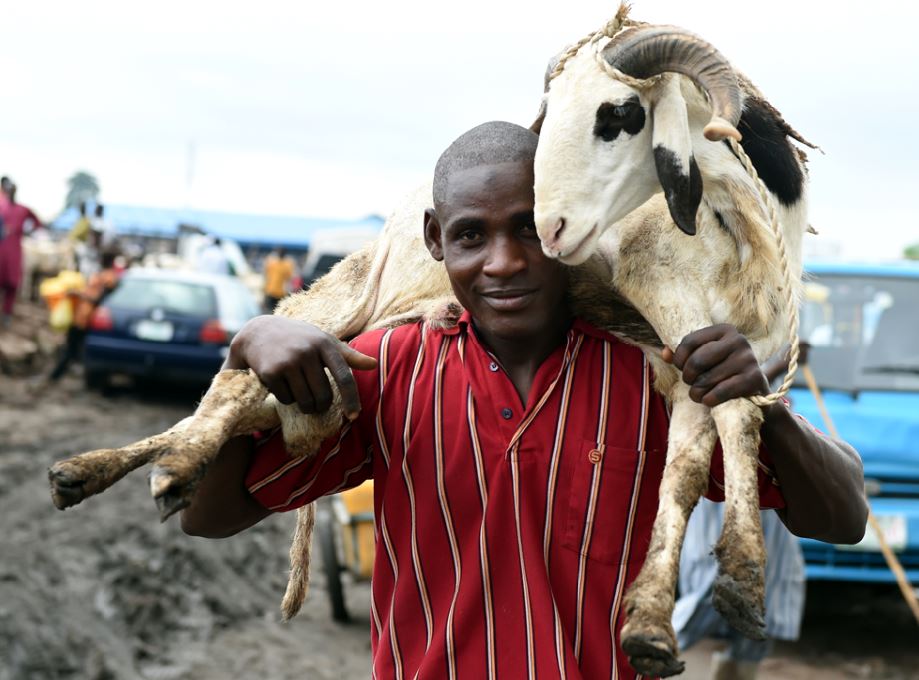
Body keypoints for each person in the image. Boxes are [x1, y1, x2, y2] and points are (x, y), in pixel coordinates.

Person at [180, 122, 868, 679]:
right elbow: (211, 517)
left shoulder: (653, 376)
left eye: (530, 228)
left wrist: (760, 405)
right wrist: (241, 365)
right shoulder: (384, 371)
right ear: (433, 240)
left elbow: (840, 516)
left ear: (569, 226)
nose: (503, 262)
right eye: (471, 235)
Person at [674, 342, 813, 680]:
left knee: (760, 601)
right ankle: (644, 653)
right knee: (711, 588)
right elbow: (723, 389)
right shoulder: (719, 339)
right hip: (722, 496)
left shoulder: (775, 335)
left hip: (767, 505)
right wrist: (779, 364)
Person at [46, 249, 122, 383]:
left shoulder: (108, 277)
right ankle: (62, 373)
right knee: (73, 347)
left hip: (87, 318)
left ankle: (56, 375)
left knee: (72, 347)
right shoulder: (104, 275)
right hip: (82, 316)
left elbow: (99, 299)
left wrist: (80, 295)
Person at [0, 179, 43, 328]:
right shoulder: (1, 206)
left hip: (14, 251)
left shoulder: (23, 209)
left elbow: (37, 222)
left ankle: (7, 315)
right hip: (1, 250)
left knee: (12, 283)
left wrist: (27, 230)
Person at [262, 246, 295, 312]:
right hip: (272, 291)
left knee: (274, 311)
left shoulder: (286, 265)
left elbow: (289, 279)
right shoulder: (274, 263)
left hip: (279, 292)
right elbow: (266, 276)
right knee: (272, 310)